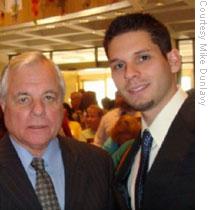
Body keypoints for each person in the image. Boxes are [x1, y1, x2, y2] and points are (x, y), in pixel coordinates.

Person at [0, 52, 116, 210]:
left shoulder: (98, 163)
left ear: (61, 105)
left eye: (48, 97)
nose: (39, 110)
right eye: (23, 99)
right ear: (3, 105)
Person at [104, 13, 194, 210]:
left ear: (173, 61)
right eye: (119, 65)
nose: (129, 74)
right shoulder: (136, 151)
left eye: (143, 58)